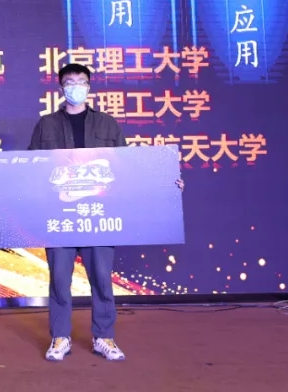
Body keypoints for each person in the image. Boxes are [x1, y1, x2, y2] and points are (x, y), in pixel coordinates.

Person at [29, 63, 184, 363]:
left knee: (101, 277)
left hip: (99, 214)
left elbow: (126, 168)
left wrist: (167, 183)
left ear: (89, 87)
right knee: (59, 279)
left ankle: (104, 336)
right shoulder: (46, 125)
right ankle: (60, 336)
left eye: (81, 81)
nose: (75, 87)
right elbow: (31, 169)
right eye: (70, 82)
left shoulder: (107, 125)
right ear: (60, 87)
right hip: (59, 216)